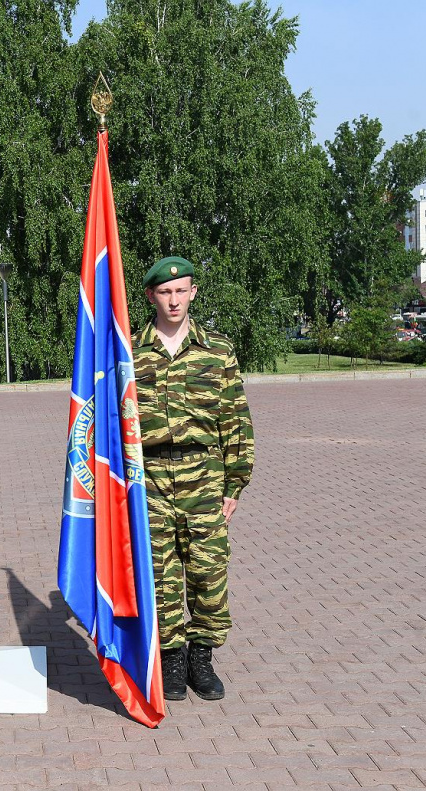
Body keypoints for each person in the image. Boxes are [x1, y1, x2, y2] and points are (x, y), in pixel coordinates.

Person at [133, 256, 254, 702]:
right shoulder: (129, 351)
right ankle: (171, 657)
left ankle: (201, 658)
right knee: (159, 575)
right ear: (151, 296)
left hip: (204, 475)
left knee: (208, 572)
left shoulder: (217, 350)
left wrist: (234, 484)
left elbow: (235, 419)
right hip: (150, 478)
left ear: (193, 292)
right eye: (165, 292)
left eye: (181, 290)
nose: (174, 299)